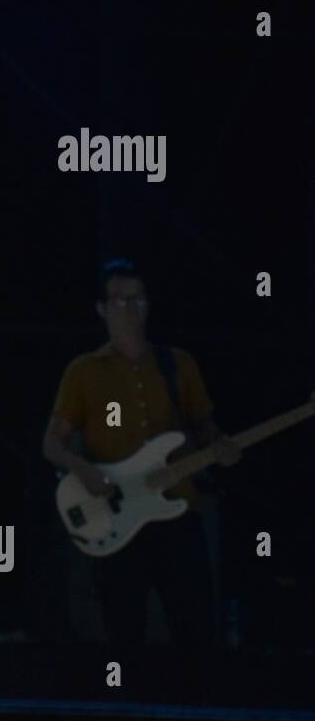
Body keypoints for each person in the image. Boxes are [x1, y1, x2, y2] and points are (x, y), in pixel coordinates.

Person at [41, 258, 239, 646]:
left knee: (196, 628)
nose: (130, 310)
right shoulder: (83, 371)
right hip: (118, 518)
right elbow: (52, 443)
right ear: (101, 308)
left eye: (137, 299)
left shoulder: (178, 364)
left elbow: (204, 426)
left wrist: (220, 446)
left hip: (178, 510)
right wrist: (85, 471)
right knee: (123, 630)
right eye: (119, 301)